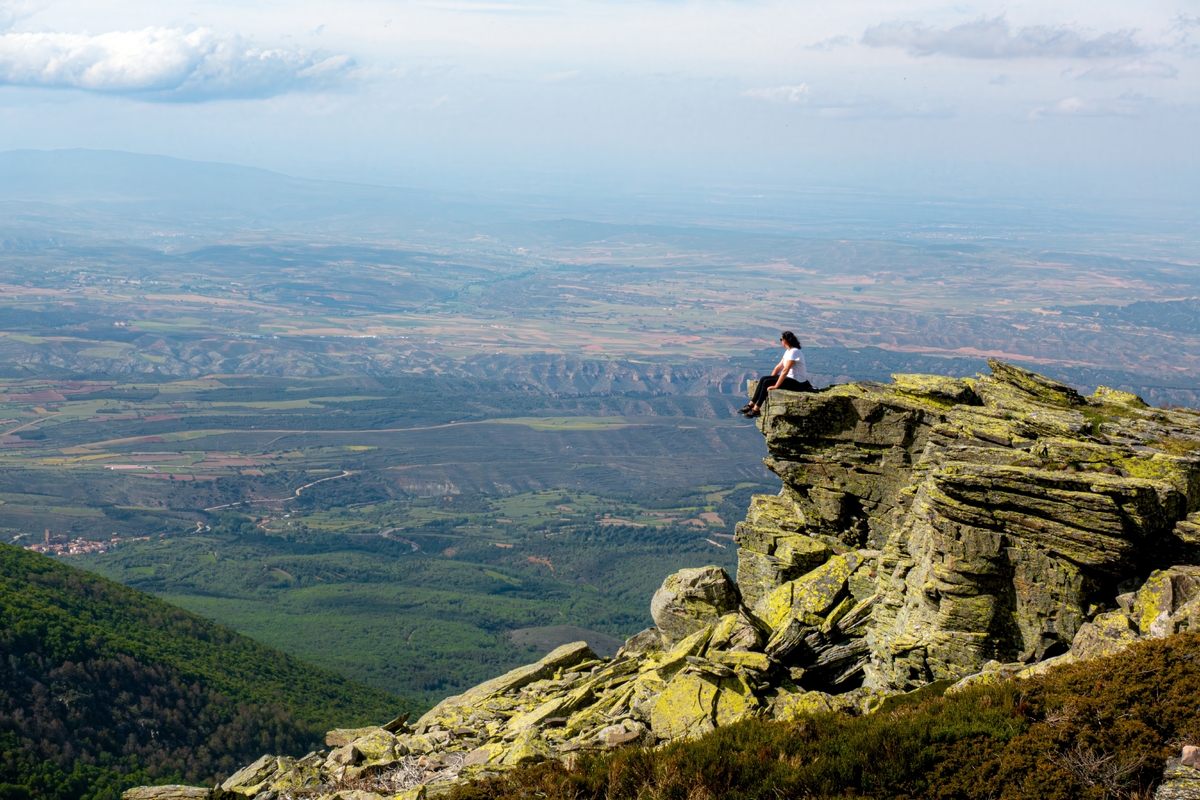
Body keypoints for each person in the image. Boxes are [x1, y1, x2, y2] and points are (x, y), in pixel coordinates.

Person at [739, 331, 814, 418]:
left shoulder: (794, 351)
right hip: (790, 378)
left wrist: (775, 385)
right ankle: (750, 405)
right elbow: (778, 367)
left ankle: (756, 409)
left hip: (797, 381)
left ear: (785, 340)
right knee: (764, 379)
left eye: (781, 339)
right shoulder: (788, 352)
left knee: (766, 382)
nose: (781, 341)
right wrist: (772, 379)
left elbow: (785, 370)